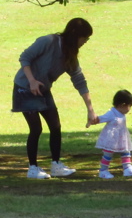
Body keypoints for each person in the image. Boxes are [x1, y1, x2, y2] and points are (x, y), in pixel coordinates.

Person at [12, 17, 97, 179]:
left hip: (43, 89)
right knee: (36, 128)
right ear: (75, 34)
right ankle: (33, 169)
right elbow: (25, 57)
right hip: (24, 87)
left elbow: (79, 80)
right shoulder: (48, 41)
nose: (86, 41)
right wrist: (31, 81)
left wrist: (90, 110)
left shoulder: (69, 55)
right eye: (84, 37)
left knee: (55, 126)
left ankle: (56, 165)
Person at [89, 89, 132, 179]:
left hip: (122, 138)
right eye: (129, 106)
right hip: (111, 139)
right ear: (122, 105)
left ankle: (127, 168)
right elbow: (101, 118)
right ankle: (103, 171)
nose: (129, 109)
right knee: (108, 154)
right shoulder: (111, 113)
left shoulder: (121, 113)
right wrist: (91, 121)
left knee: (126, 152)